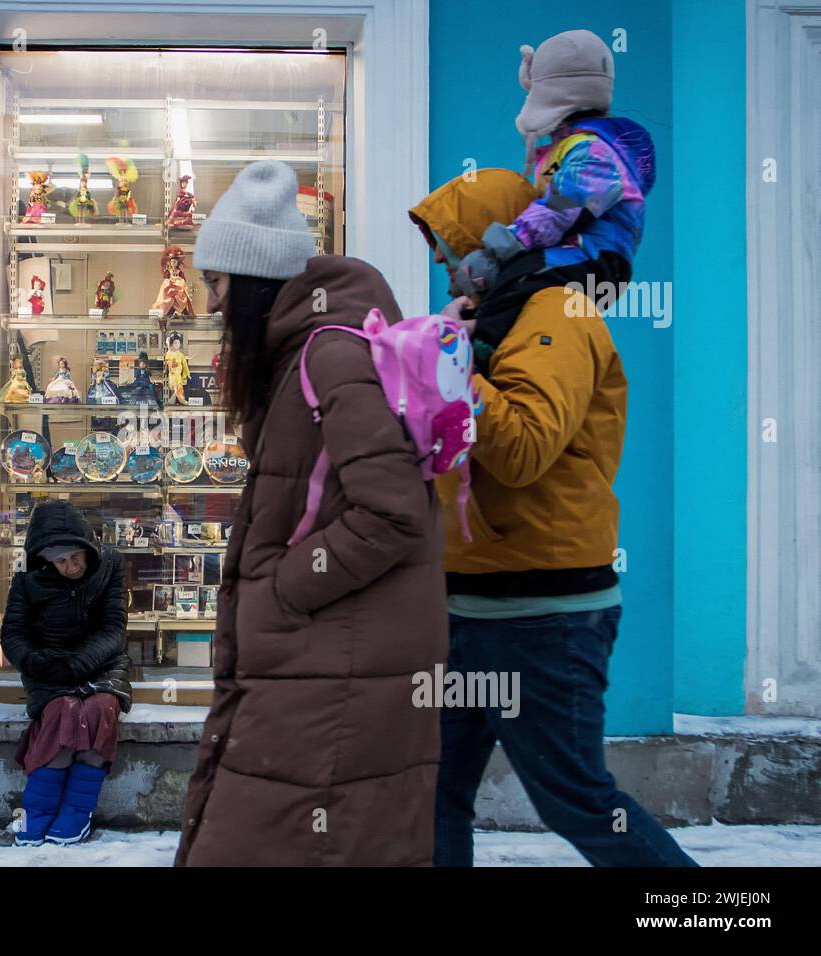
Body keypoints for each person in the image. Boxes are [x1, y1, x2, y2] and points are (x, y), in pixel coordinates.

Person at [409, 167, 696, 867]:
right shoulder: (497, 323)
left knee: (575, 798)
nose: (446, 275)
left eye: (451, 255)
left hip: (544, 616)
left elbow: (524, 449)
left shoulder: (558, 318)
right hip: (471, 605)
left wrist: (448, 371)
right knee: (429, 790)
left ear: (497, 246)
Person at [174, 160, 448, 866]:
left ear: (254, 282)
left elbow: (392, 513)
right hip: (320, 667)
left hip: (329, 675)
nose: (209, 305)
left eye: (217, 282)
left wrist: (284, 589)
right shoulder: (309, 350)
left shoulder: (330, 354)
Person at [449, 29, 656, 377]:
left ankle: (480, 352)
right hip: (582, 257)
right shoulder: (575, 147)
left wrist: (505, 245)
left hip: (595, 260)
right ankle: (484, 334)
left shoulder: (594, 153)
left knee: (523, 279)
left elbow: (563, 208)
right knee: (516, 283)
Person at [0, 499, 132, 846]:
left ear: (89, 548)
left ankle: (76, 811)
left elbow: (114, 628)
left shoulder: (110, 566)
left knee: (100, 711)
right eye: (61, 561)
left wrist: (81, 663)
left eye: (77, 557)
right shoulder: (27, 582)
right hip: (50, 670)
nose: (71, 566)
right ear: (45, 560)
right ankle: (35, 813)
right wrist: (35, 663)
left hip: (102, 666)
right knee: (64, 714)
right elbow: (13, 633)